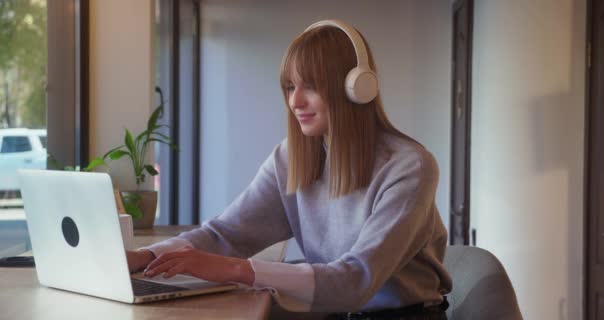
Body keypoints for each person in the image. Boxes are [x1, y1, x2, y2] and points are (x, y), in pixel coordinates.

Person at [127, 19, 452, 320]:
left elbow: (356, 280)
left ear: (356, 87)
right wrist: (144, 257)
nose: (295, 101)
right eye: (289, 87)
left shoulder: (410, 166)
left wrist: (234, 270)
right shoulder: (290, 158)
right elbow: (223, 235)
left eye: (309, 86)